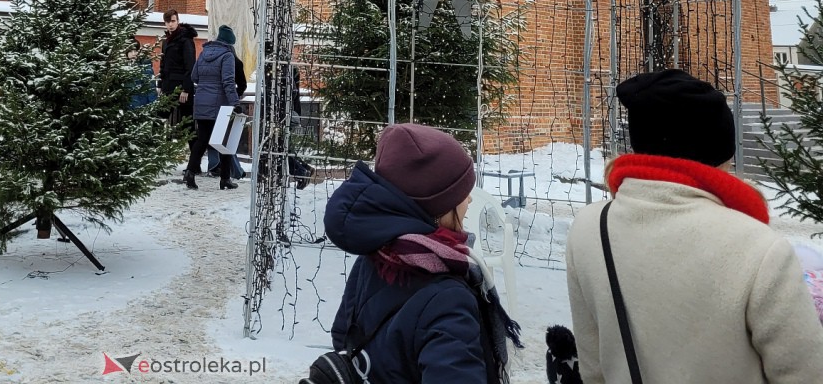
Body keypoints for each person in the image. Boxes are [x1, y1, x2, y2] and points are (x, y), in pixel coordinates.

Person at [565, 69, 823, 383]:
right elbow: (806, 374)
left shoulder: (589, 230)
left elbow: (594, 370)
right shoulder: (760, 248)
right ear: (721, 155)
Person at [323, 123, 521, 383]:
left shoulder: (374, 258)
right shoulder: (447, 299)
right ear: (437, 208)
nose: (469, 200)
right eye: (461, 193)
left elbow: (343, 337)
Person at [184, 24, 242, 190]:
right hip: (220, 105)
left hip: (201, 101)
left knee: (202, 140)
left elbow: (194, 76)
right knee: (223, 141)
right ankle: (225, 179)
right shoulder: (227, 55)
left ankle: (190, 172)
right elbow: (228, 82)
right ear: (230, 43)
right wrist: (235, 103)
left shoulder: (203, 53)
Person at [206, 53, 247, 178]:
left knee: (212, 135)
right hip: (226, 104)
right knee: (226, 139)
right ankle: (234, 171)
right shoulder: (235, 62)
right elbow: (242, 84)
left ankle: (214, 165)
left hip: (208, 101)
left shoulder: (208, 59)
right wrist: (235, 98)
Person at [158, 9, 197, 127]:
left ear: (178, 21)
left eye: (173, 21)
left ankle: (193, 145)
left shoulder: (186, 41)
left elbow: (190, 66)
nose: (170, 24)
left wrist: (186, 89)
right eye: (167, 22)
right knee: (159, 119)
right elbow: (163, 64)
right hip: (168, 86)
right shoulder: (166, 41)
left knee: (187, 123)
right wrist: (160, 84)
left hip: (181, 88)